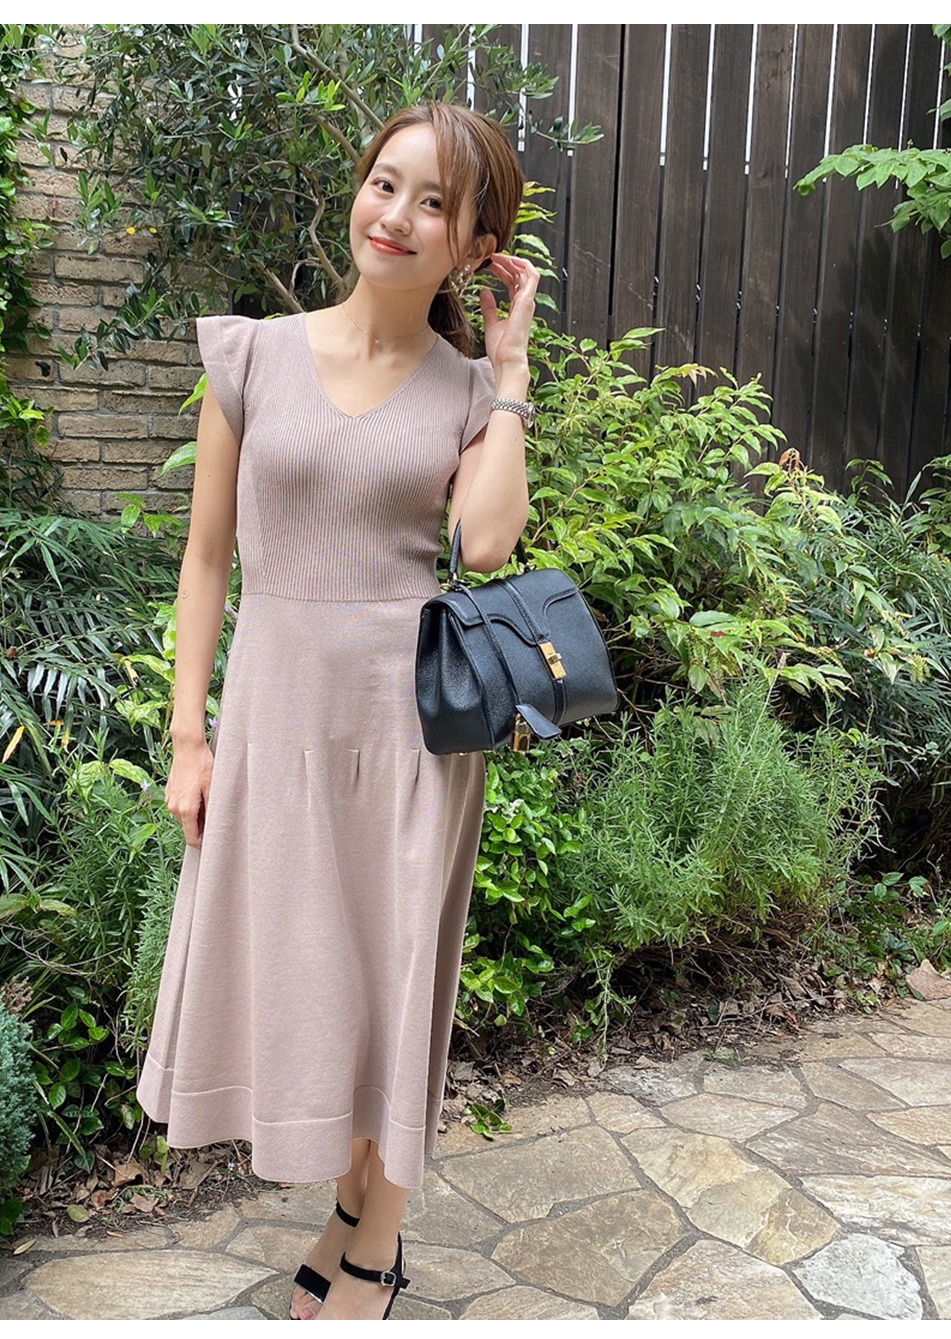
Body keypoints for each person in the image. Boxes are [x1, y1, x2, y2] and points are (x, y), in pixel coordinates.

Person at [133, 99, 539, 1323]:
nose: (396, 215)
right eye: (383, 182)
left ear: (474, 246)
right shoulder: (252, 355)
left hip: (406, 734)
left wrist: (511, 376)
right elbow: (206, 558)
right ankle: (354, 1212)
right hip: (275, 720)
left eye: (434, 203)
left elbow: (483, 541)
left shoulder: (466, 389)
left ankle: (376, 1236)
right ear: (357, 191)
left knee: (393, 982)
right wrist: (189, 736)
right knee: (316, 979)